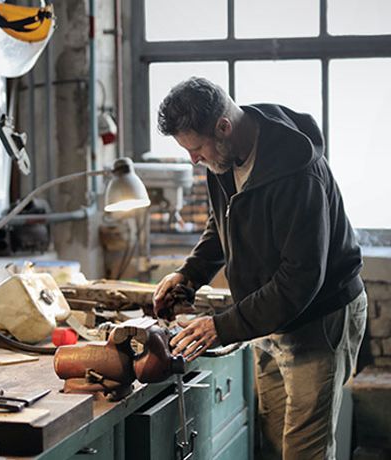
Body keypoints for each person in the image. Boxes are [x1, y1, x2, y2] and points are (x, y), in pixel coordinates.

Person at [152, 76, 367, 460]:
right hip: (265, 317)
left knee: (305, 450)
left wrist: (221, 326)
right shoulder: (223, 156)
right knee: (272, 442)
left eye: (196, 148)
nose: (193, 159)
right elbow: (223, 225)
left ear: (223, 126)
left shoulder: (297, 173)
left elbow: (301, 279)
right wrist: (189, 275)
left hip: (319, 316)